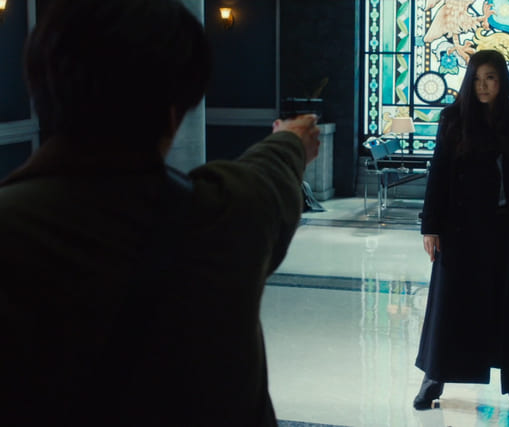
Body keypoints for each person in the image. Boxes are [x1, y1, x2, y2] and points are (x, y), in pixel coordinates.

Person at [0, 1, 320, 426]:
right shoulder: (230, 215)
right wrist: (293, 137)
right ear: (173, 114)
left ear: (39, 87)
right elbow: (271, 170)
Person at [413, 50, 509, 427]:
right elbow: (439, 173)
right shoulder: (453, 119)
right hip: (460, 234)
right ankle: (434, 379)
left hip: (507, 234)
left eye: (490, 78)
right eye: (476, 78)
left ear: (503, 81)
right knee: (449, 312)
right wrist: (430, 226)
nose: (483, 86)